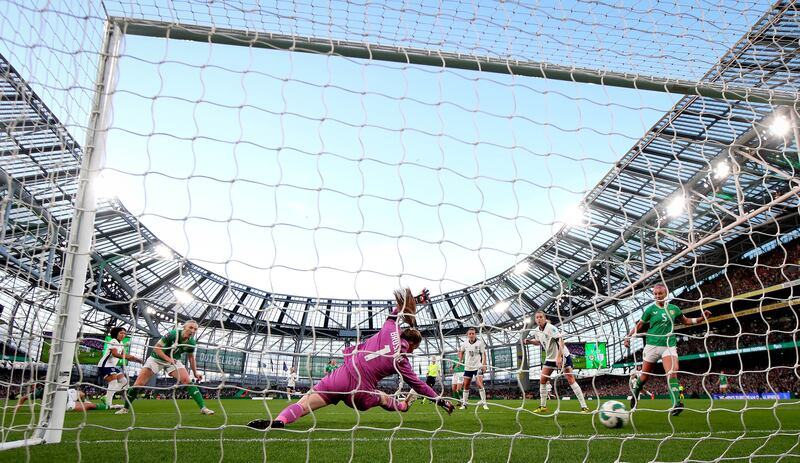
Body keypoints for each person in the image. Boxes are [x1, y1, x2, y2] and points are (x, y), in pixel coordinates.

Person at [247, 288, 453, 429]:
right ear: (414, 345)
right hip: (361, 392)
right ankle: (403, 406)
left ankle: (280, 421)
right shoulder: (403, 362)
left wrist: (417, 299)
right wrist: (441, 401)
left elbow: (398, 310)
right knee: (381, 396)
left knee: (304, 403)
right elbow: (419, 385)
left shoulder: (390, 327)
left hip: (342, 376)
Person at [624, 283, 711, 416]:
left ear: (666, 294)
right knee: (645, 376)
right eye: (656, 294)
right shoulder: (650, 310)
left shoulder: (674, 309)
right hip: (652, 346)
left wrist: (701, 318)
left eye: (661, 294)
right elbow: (640, 325)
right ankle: (636, 392)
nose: (658, 296)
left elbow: (686, 321)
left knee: (672, 371)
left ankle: (676, 404)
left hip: (668, 346)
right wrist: (628, 337)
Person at [117, 320, 214, 415]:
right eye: (191, 327)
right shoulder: (173, 334)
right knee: (138, 384)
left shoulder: (191, 343)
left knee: (187, 381)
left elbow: (191, 358)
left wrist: (195, 372)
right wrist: (168, 359)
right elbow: (156, 348)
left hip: (173, 361)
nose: (193, 330)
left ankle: (203, 408)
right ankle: (125, 408)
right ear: (184, 327)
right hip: (156, 359)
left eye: (195, 329)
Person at [523, 310, 589, 413]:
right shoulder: (536, 331)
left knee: (570, 379)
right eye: (537, 317)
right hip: (550, 358)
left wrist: (559, 357)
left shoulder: (551, 328)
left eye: (541, 317)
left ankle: (584, 407)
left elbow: (561, 341)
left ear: (544, 318)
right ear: (535, 320)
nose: (539, 319)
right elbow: (539, 342)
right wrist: (530, 341)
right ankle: (543, 406)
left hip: (562, 355)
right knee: (543, 380)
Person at [98, 326, 143, 408]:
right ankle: (108, 404)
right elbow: (115, 354)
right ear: (116, 333)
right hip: (105, 365)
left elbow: (125, 355)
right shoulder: (113, 341)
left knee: (124, 382)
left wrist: (137, 359)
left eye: (124, 333)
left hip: (112, 366)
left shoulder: (121, 343)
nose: (123, 335)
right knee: (113, 382)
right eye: (121, 333)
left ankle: (107, 397)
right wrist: (126, 357)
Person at [15, 384, 110, 413]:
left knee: (81, 393)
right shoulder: (40, 392)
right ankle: (109, 407)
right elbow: (23, 398)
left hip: (67, 394)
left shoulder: (56, 385)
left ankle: (85, 401)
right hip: (65, 404)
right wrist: (16, 409)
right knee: (90, 406)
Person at [458, 327, 489, 410]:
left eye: (473, 333)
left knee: (479, 384)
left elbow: (484, 354)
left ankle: (484, 403)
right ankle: (464, 404)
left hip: (478, 366)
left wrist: (484, 365)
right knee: (466, 385)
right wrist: (460, 361)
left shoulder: (480, 343)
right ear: (467, 335)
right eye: (470, 334)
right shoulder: (464, 344)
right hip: (468, 367)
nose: (471, 335)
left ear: (475, 334)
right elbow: (461, 351)